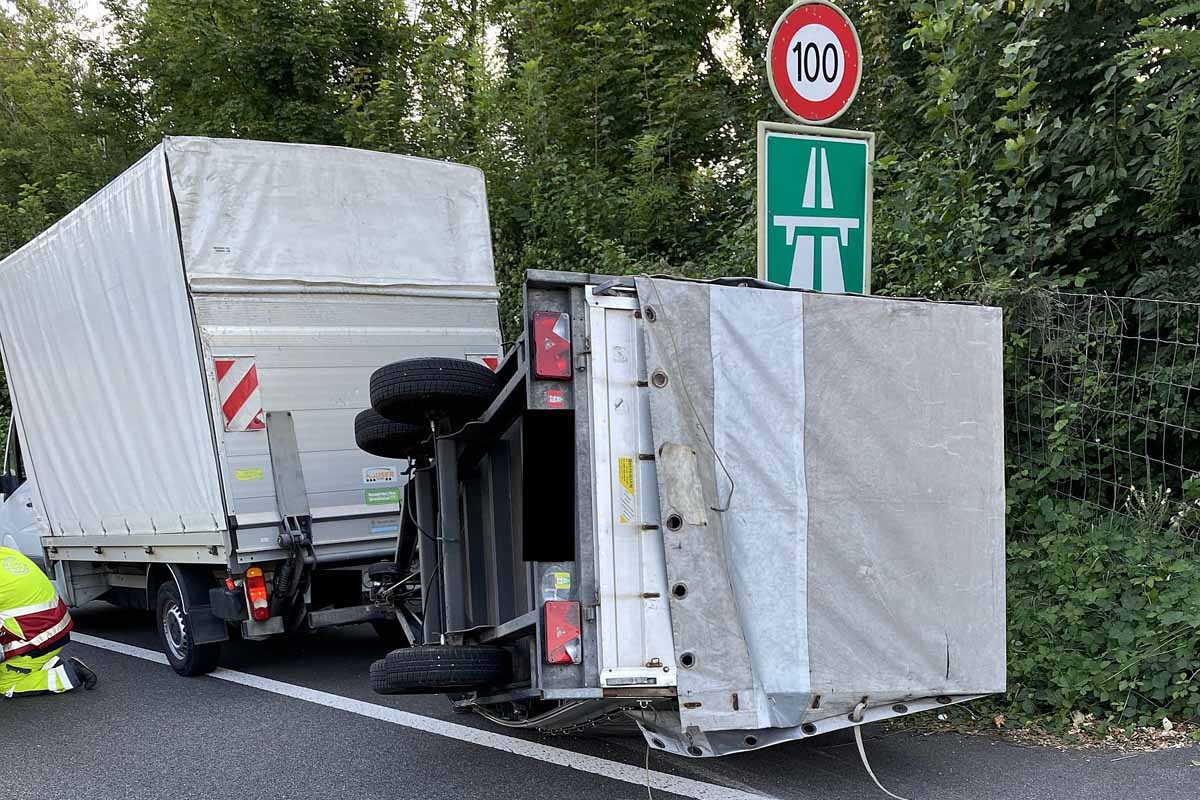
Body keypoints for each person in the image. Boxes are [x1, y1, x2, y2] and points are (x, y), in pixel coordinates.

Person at [0, 546, 96, 697]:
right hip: (53, 628)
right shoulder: (6, 552)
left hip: (39, 637)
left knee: (6, 684)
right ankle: (50, 666)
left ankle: (71, 674)